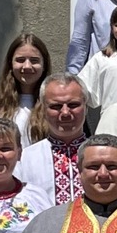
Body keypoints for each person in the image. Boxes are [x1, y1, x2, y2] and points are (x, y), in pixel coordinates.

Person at [18, 74, 90, 207]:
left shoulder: (102, 155)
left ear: (85, 106)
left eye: (73, 105)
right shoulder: (25, 158)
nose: (65, 113)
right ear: (43, 109)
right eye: (56, 106)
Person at [0, 33, 51, 142]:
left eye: (34, 60)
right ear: (10, 64)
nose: (27, 66)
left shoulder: (54, 103)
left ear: (44, 65)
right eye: (20, 60)